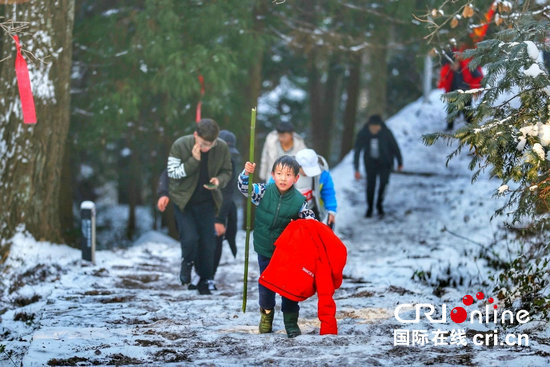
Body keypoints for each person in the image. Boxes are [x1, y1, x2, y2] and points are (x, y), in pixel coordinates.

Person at [238, 155, 315, 338]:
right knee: (266, 284)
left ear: (296, 178)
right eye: (279, 173)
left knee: (289, 286)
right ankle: (266, 316)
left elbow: (309, 220)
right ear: (272, 174)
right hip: (265, 248)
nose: (283, 178)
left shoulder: (298, 201)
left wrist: (316, 231)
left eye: (288, 174)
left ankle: (290, 321)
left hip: (287, 252)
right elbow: (245, 188)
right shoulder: (264, 191)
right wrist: (246, 174)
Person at [167, 118, 232, 295]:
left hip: (208, 201)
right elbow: (172, 173)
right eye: (203, 144)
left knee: (207, 243)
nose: (207, 148)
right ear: (196, 135)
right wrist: (193, 161)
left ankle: (205, 279)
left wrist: (219, 180)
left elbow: (227, 171)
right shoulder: (180, 145)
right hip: (184, 201)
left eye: (211, 144)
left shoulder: (221, 148)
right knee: (189, 238)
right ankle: (186, 263)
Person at [353, 115, 403, 218]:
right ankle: (370, 208)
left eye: (377, 127)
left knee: (383, 184)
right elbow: (357, 151)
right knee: (370, 186)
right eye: (372, 127)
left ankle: (379, 205)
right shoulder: (363, 133)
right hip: (370, 163)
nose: (374, 130)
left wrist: (400, 162)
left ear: (380, 126)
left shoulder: (386, 133)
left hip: (385, 163)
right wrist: (357, 169)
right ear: (369, 126)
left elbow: (395, 147)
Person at [212, 130, 240, 279]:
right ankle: (199, 274)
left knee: (217, 238)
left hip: (223, 205)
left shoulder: (231, 165)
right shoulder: (204, 161)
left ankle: (210, 277)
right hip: (203, 205)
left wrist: (220, 219)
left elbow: (228, 192)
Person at [438, 50, 483, 130]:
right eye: (451, 65)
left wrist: (474, 89)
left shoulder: (467, 66)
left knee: (467, 111)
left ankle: (471, 127)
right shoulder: (448, 70)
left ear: (458, 62)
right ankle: (449, 127)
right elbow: (444, 82)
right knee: (451, 111)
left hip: (466, 93)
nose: (453, 67)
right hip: (453, 93)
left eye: (454, 64)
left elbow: (478, 77)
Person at [294, 148, 337, 228]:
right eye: (307, 170)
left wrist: (332, 211)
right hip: (292, 215)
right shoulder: (284, 172)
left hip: (312, 212)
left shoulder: (322, 173)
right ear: (298, 166)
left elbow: (328, 192)